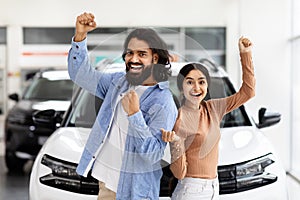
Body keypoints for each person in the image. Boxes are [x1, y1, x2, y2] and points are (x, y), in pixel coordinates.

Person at [68, 12, 178, 200]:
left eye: (142, 54)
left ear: (155, 58)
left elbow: (153, 155)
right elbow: (81, 76)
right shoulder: (118, 82)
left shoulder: (164, 102)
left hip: (135, 192)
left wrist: (135, 114)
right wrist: (80, 36)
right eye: (130, 53)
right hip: (106, 184)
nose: (133, 59)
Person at [161, 37, 255, 200]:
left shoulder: (213, 108)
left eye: (201, 82)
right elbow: (179, 173)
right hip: (191, 190)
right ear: (181, 88)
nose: (196, 88)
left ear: (206, 86)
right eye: (189, 82)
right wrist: (175, 142)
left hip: (213, 187)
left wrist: (245, 54)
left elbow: (248, 92)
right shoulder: (179, 117)